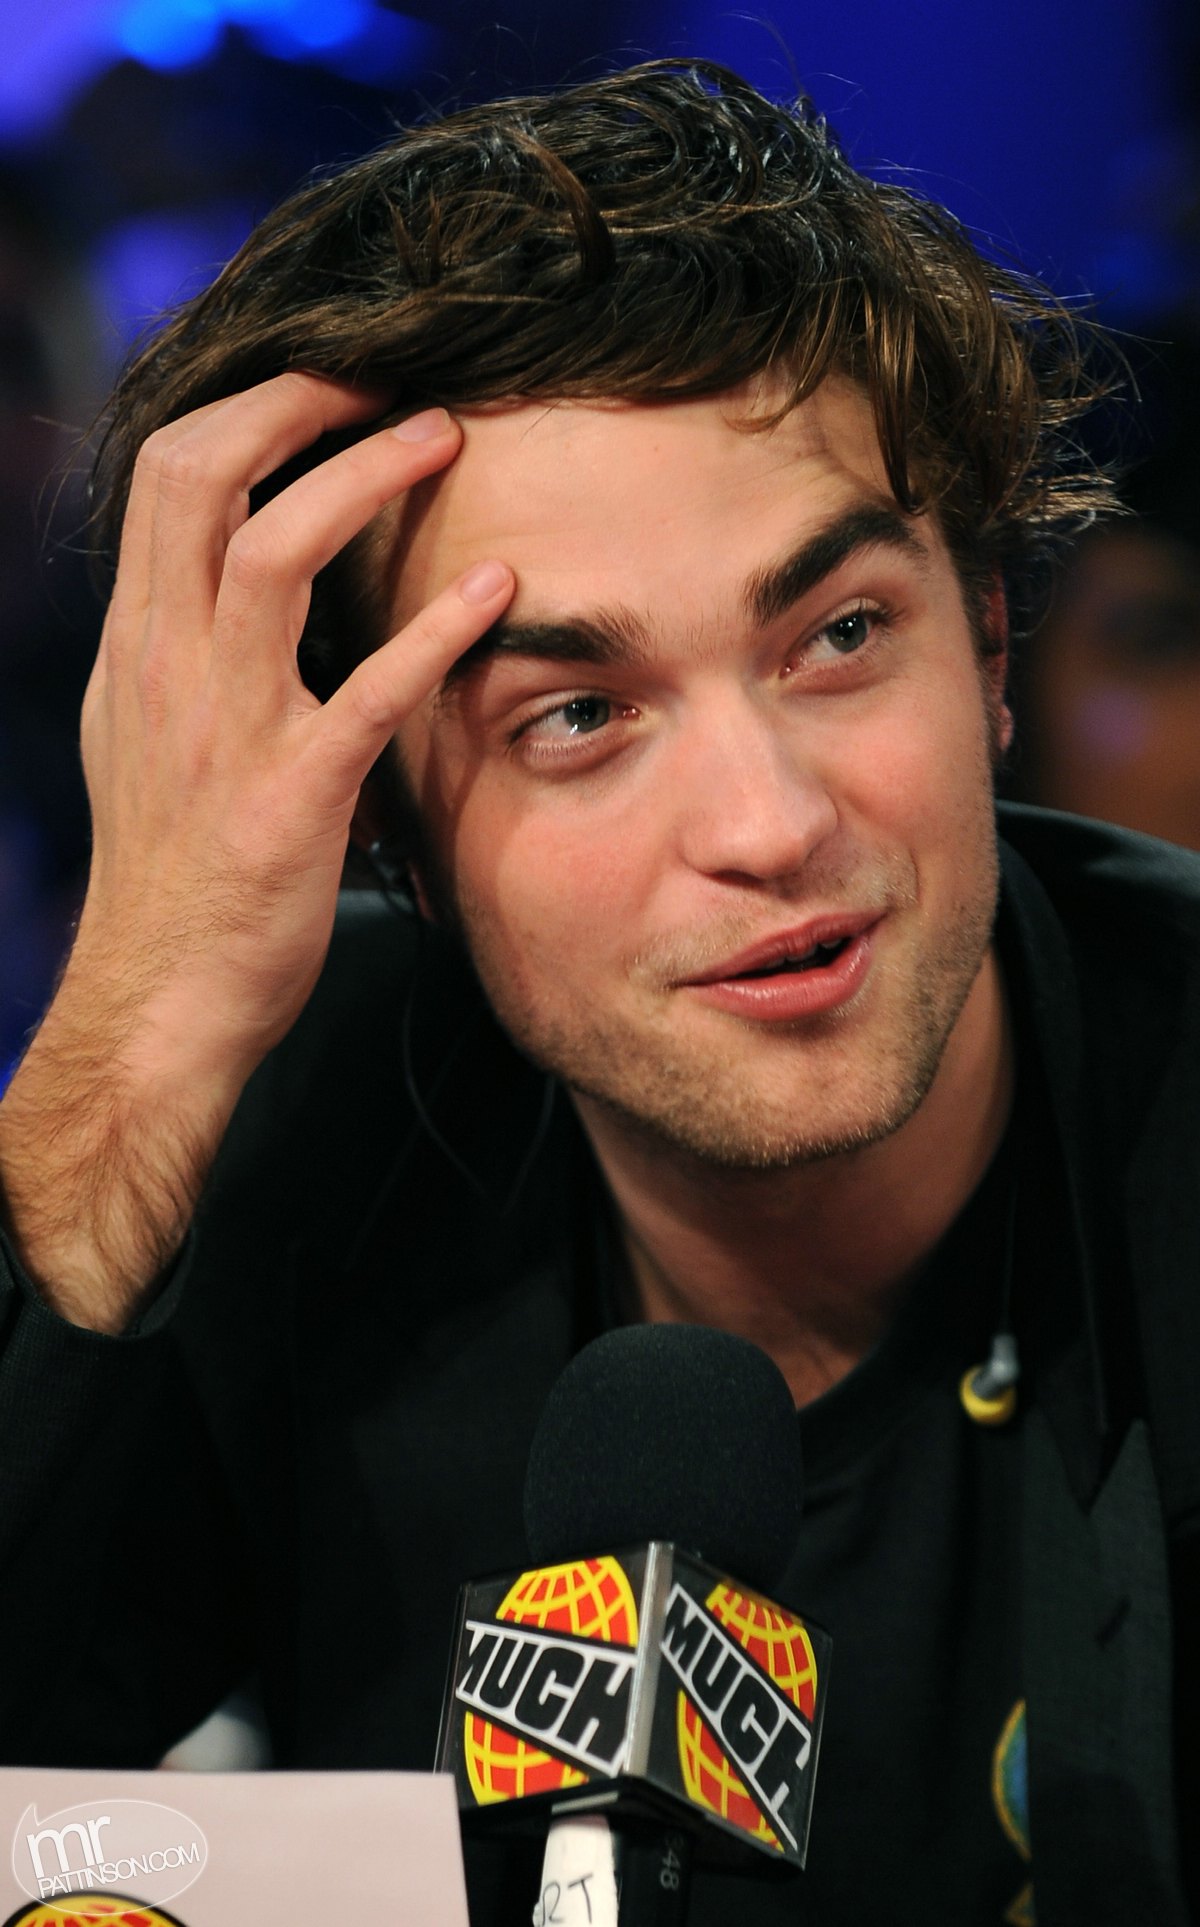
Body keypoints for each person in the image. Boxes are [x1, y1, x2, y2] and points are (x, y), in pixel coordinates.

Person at [0, 59, 1196, 1927]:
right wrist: (135, 1047)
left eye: (840, 635)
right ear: (394, 838)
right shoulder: (302, 1142)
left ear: (984, 646)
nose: (768, 824)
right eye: (577, 717)